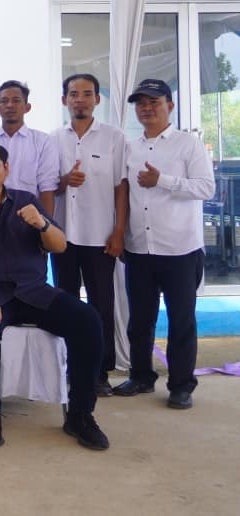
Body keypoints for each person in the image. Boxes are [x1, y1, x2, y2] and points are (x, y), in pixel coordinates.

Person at [0, 138, 109, 450]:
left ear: (6, 168)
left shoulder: (26, 201)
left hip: (31, 292)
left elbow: (59, 246)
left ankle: (80, 414)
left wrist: (42, 224)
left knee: (88, 321)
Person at [113, 79, 214, 410]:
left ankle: (181, 385)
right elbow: (124, 191)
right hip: (140, 248)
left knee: (182, 320)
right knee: (140, 319)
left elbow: (205, 188)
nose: (146, 107)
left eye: (154, 101)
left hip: (180, 249)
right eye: (140, 102)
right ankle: (141, 376)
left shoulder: (188, 145)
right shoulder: (131, 147)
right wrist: (121, 234)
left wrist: (163, 181)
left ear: (169, 106)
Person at [50, 73, 126, 396]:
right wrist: (65, 180)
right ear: (64, 100)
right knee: (66, 305)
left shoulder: (114, 137)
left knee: (101, 306)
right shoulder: (53, 139)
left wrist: (119, 230)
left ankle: (99, 372)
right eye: (73, 94)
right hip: (63, 236)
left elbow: (121, 187)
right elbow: (48, 187)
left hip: (100, 236)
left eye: (86, 93)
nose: (79, 99)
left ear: (97, 99)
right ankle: (68, 369)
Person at [0, 80, 60, 217]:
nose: (10, 105)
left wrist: (46, 227)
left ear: (27, 107)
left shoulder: (43, 141)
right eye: (4, 101)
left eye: (16, 100)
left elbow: (47, 188)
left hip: (29, 216)